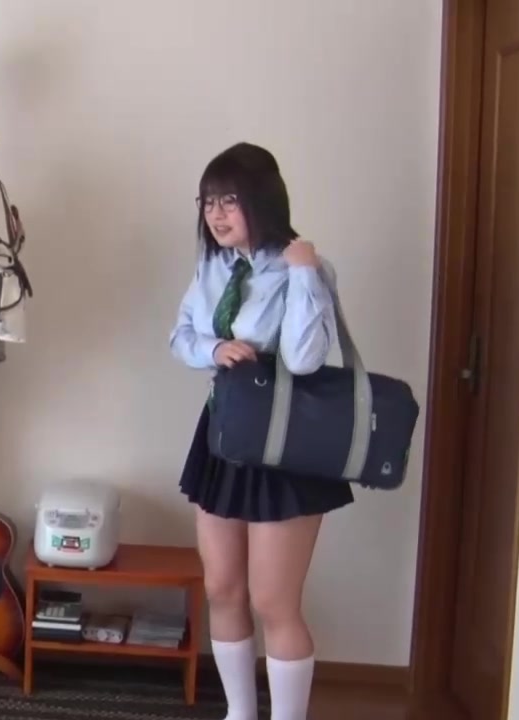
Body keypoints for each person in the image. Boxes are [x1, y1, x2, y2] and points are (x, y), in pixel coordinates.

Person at [169, 142, 352, 720]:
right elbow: (180, 336)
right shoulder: (212, 267)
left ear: (262, 200)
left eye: (229, 200)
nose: (216, 214)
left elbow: (304, 357)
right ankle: (240, 714)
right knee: (222, 588)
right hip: (226, 432)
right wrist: (214, 348)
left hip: (288, 441)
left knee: (274, 600)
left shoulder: (307, 267)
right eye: (208, 202)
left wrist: (304, 274)